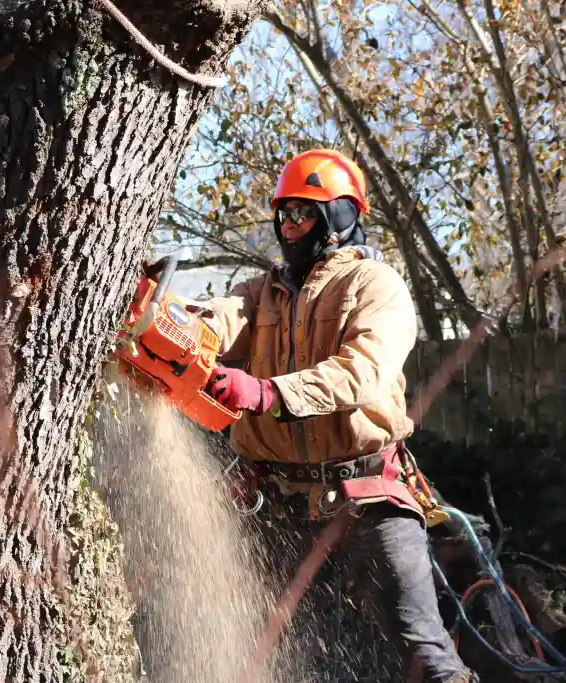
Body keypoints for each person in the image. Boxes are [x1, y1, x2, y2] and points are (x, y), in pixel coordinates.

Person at [202, 149, 477, 683]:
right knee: (276, 651)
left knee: (422, 650)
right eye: (282, 214)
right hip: (279, 503)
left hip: (366, 497)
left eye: (302, 213)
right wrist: (168, 324)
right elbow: (215, 321)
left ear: (339, 219)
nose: (288, 225)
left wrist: (266, 392)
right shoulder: (261, 294)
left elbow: (363, 372)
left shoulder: (376, 287)